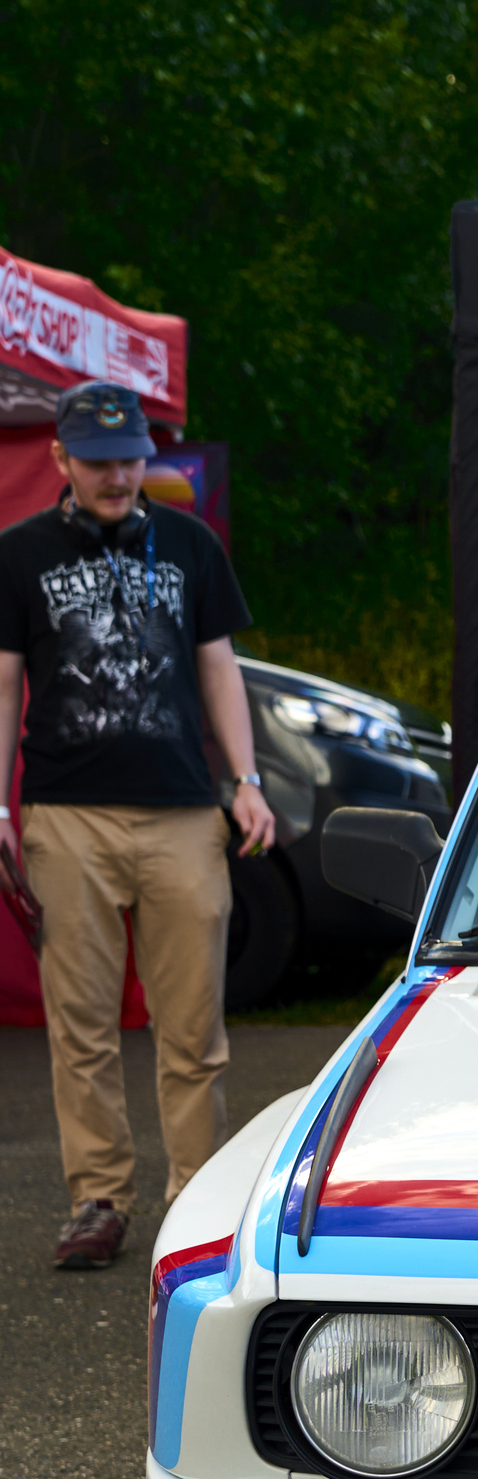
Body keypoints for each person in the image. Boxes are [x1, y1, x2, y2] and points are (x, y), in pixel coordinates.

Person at [0, 381, 275, 1269]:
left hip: (183, 813)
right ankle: (98, 1198)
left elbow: (219, 666)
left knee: (193, 1027)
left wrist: (246, 781)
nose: (117, 477)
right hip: (66, 816)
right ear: (62, 459)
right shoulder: (20, 553)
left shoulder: (191, 544)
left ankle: (196, 1200)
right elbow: (4, 682)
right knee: (80, 1024)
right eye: (98, 462)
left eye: (129, 460)